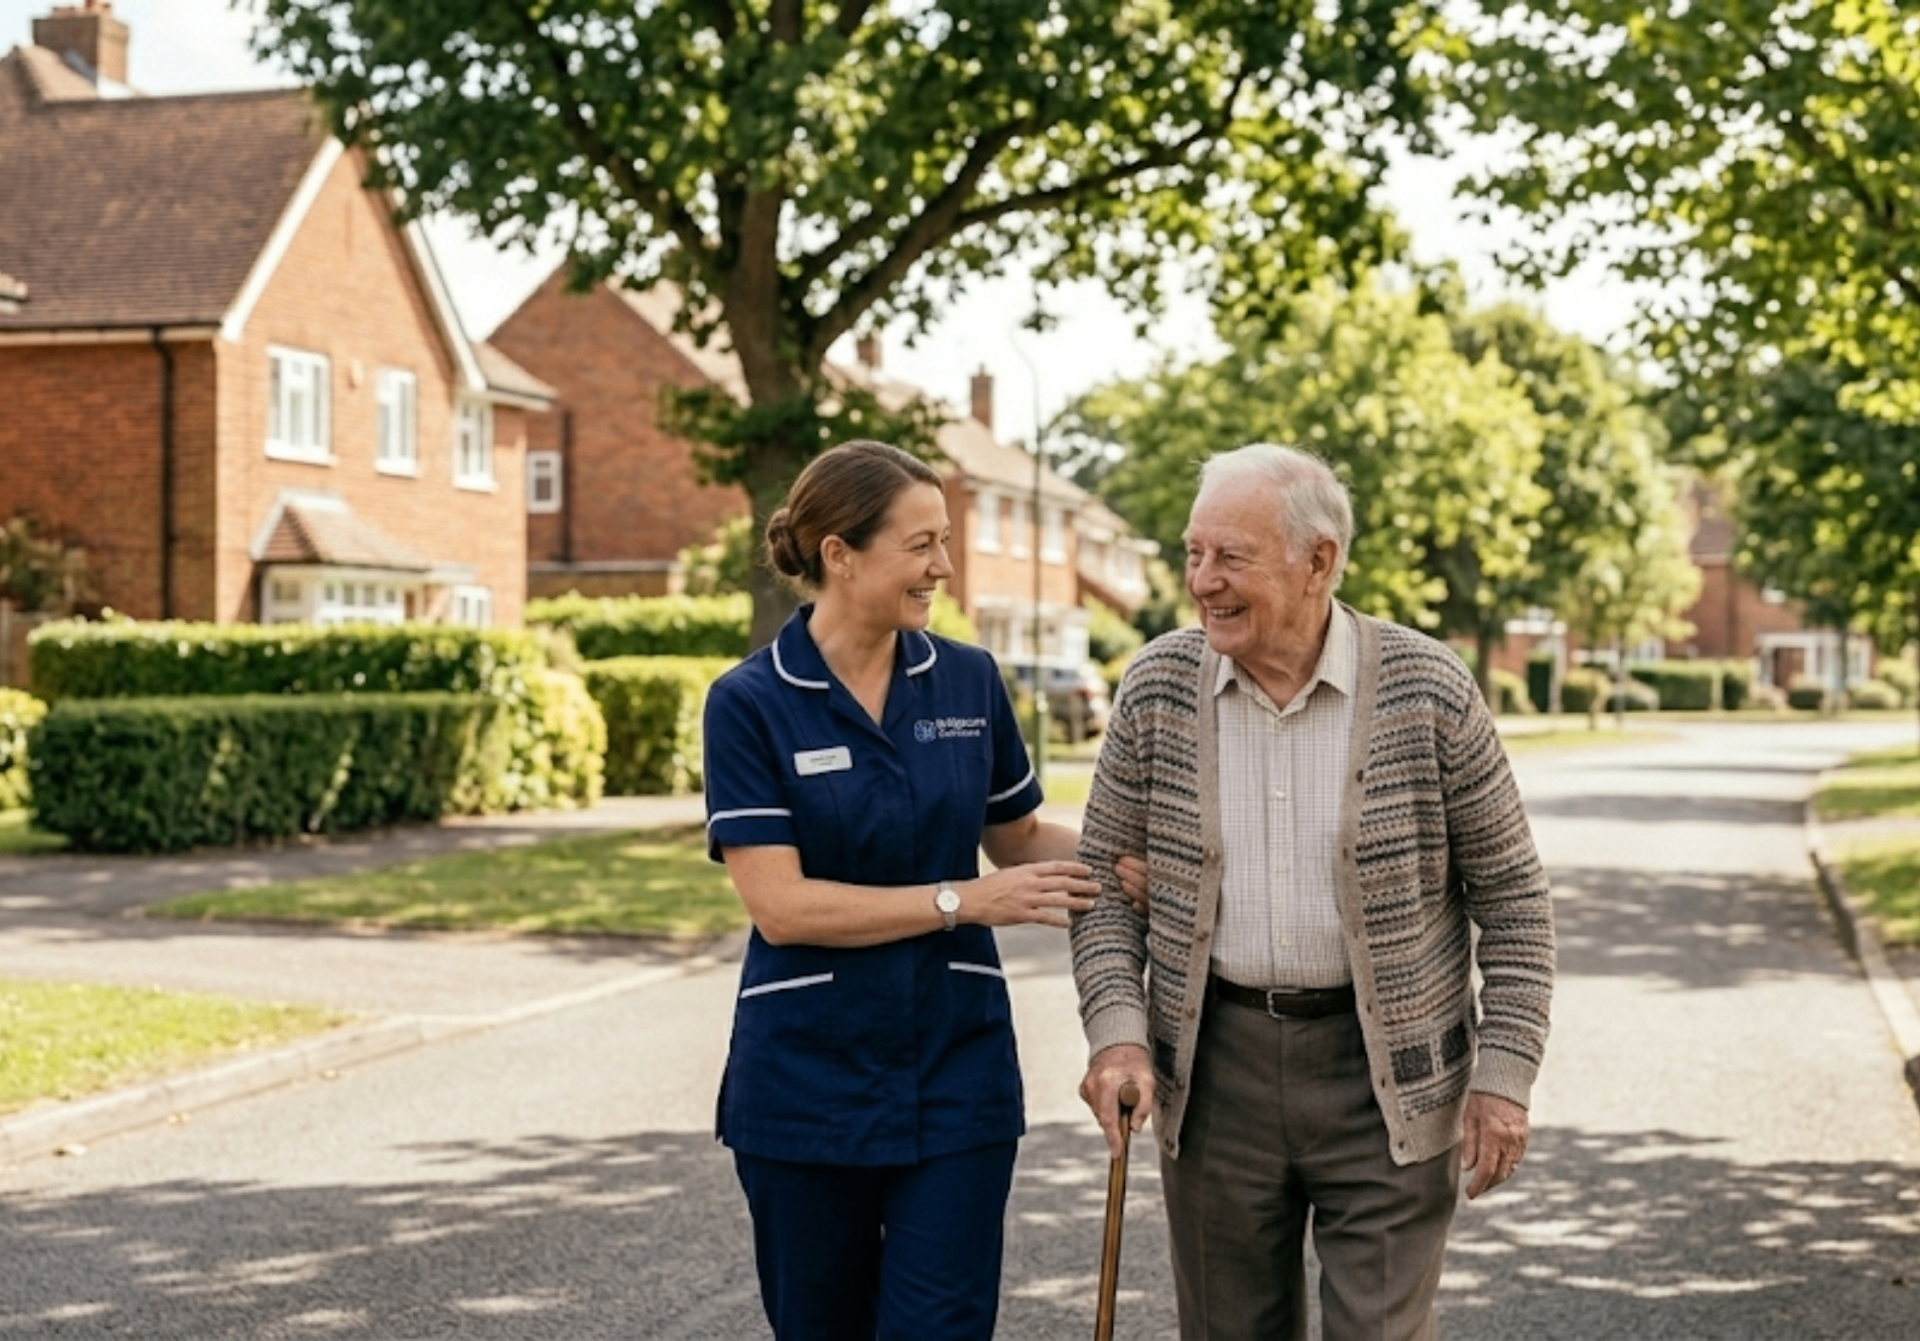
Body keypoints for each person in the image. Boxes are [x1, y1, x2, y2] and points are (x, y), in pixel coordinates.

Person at [1071, 443, 1556, 1341]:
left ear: (1319, 560)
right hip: (1213, 1074)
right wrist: (1118, 1034)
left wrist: (1503, 1077)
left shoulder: (1428, 688)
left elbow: (1515, 900)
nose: (1203, 581)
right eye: (1194, 553)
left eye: (1231, 557)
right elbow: (1101, 886)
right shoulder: (1157, 686)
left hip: (1388, 1078)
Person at [702, 439, 1103, 1341]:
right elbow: (781, 905)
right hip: (804, 1084)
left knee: (943, 1327)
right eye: (921, 545)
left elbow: (1018, 838)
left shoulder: (967, 679)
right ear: (839, 555)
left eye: (945, 540)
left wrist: (1135, 861)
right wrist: (961, 900)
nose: (944, 566)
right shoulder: (750, 701)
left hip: (959, 1070)